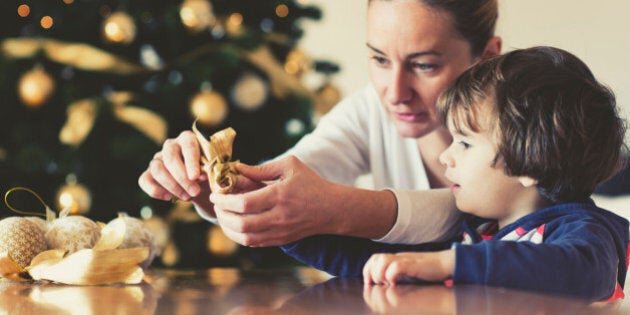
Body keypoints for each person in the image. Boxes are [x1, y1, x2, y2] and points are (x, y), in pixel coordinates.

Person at [138, 0, 502, 248]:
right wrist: (208, 179)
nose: (395, 93)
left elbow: (497, 217)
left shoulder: (533, 120)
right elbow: (273, 187)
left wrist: (346, 210)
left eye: (424, 65)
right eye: (379, 59)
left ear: (487, 56)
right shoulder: (370, 111)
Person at [284, 46, 629, 301]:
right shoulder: (479, 233)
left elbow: (584, 272)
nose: (447, 156)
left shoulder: (582, 232)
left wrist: (450, 264)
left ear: (530, 160)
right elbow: (385, 262)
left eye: (464, 143)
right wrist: (294, 229)